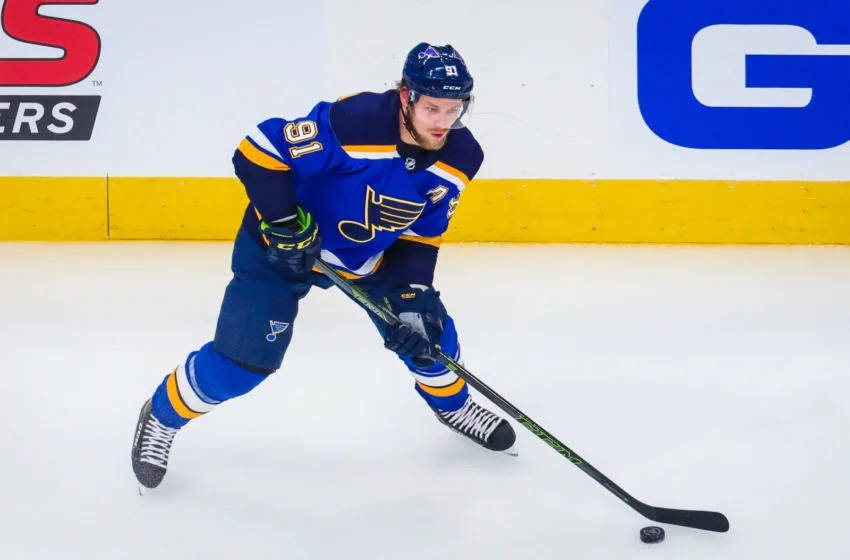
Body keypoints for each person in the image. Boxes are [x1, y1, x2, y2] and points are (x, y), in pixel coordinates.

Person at [131, 43, 516, 489]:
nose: (443, 122)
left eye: (455, 109)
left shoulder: (462, 156)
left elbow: (421, 231)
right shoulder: (355, 123)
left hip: (368, 258)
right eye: (433, 108)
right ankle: (160, 416)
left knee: (430, 336)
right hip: (280, 249)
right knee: (240, 365)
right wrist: (283, 223)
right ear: (406, 96)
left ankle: (452, 406)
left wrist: (412, 292)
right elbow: (257, 152)